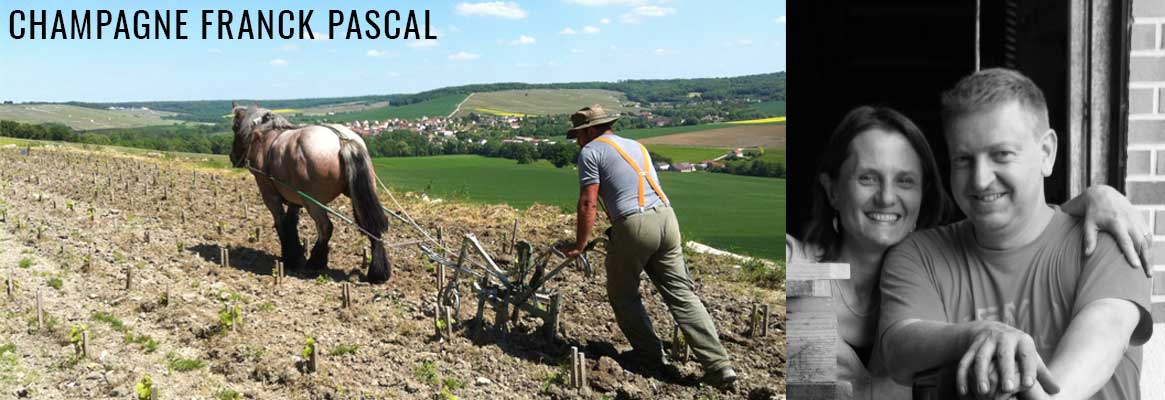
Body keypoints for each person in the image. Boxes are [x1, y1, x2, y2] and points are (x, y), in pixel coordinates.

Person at [787, 105, 1152, 400]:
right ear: (833, 190)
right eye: (867, 178)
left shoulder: (927, 282)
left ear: (923, 196)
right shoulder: (795, 265)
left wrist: (1095, 197)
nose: (886, 196)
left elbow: (1023, 218)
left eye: (905, 181)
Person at [877, 68, 1153, 399]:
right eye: (964, 159)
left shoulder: (1109, 237)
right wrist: (981, 333)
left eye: (1001, 155)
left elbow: (1105, 331)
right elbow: (900, 348)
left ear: (1046, 153)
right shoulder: (919, 256)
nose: (980, 179)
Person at [559, 104, 737, 388]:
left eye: (578, 135)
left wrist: (579, 244)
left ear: (590, 130)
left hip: (635, 225)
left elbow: (588, 202)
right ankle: (719, 366)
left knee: (623, 294)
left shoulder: (590, 152)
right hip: (667, 219)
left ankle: (650, 357)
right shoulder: (636, 146)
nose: (577, 141)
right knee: (682, 295)